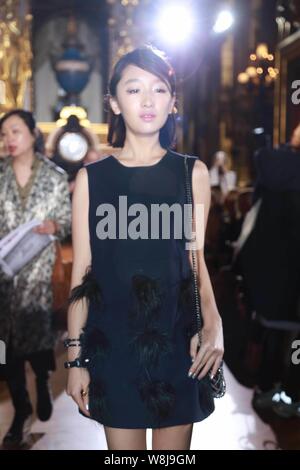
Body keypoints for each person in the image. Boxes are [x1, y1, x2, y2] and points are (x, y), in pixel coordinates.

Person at [66, 46, 224, 450]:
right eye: (134, 90)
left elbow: (195, 261)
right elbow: (82, 274)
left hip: (176, 342)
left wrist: (214, 325)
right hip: (114, 346)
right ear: (114, 103)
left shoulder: (193, 173)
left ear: (173, 102)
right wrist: (74, 359)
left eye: (159, 89)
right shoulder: (92, 180)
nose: (149, 100)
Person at [0, 109, 72, 448]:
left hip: (40, 272)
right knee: (5, 348)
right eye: (4, 134)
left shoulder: (55, 177)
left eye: (15, 131)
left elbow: (68, 221)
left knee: (39, 336)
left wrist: (55, 227)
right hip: (3, 273)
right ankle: (20, 409)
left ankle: (43, 379)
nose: (9, 139)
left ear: (32, 133)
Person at [236, 122, 300, 418]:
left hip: (269, 272)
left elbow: (253, 225)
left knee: (270, 335)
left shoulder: (271, 169)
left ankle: (265, 389)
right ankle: (292, 395)